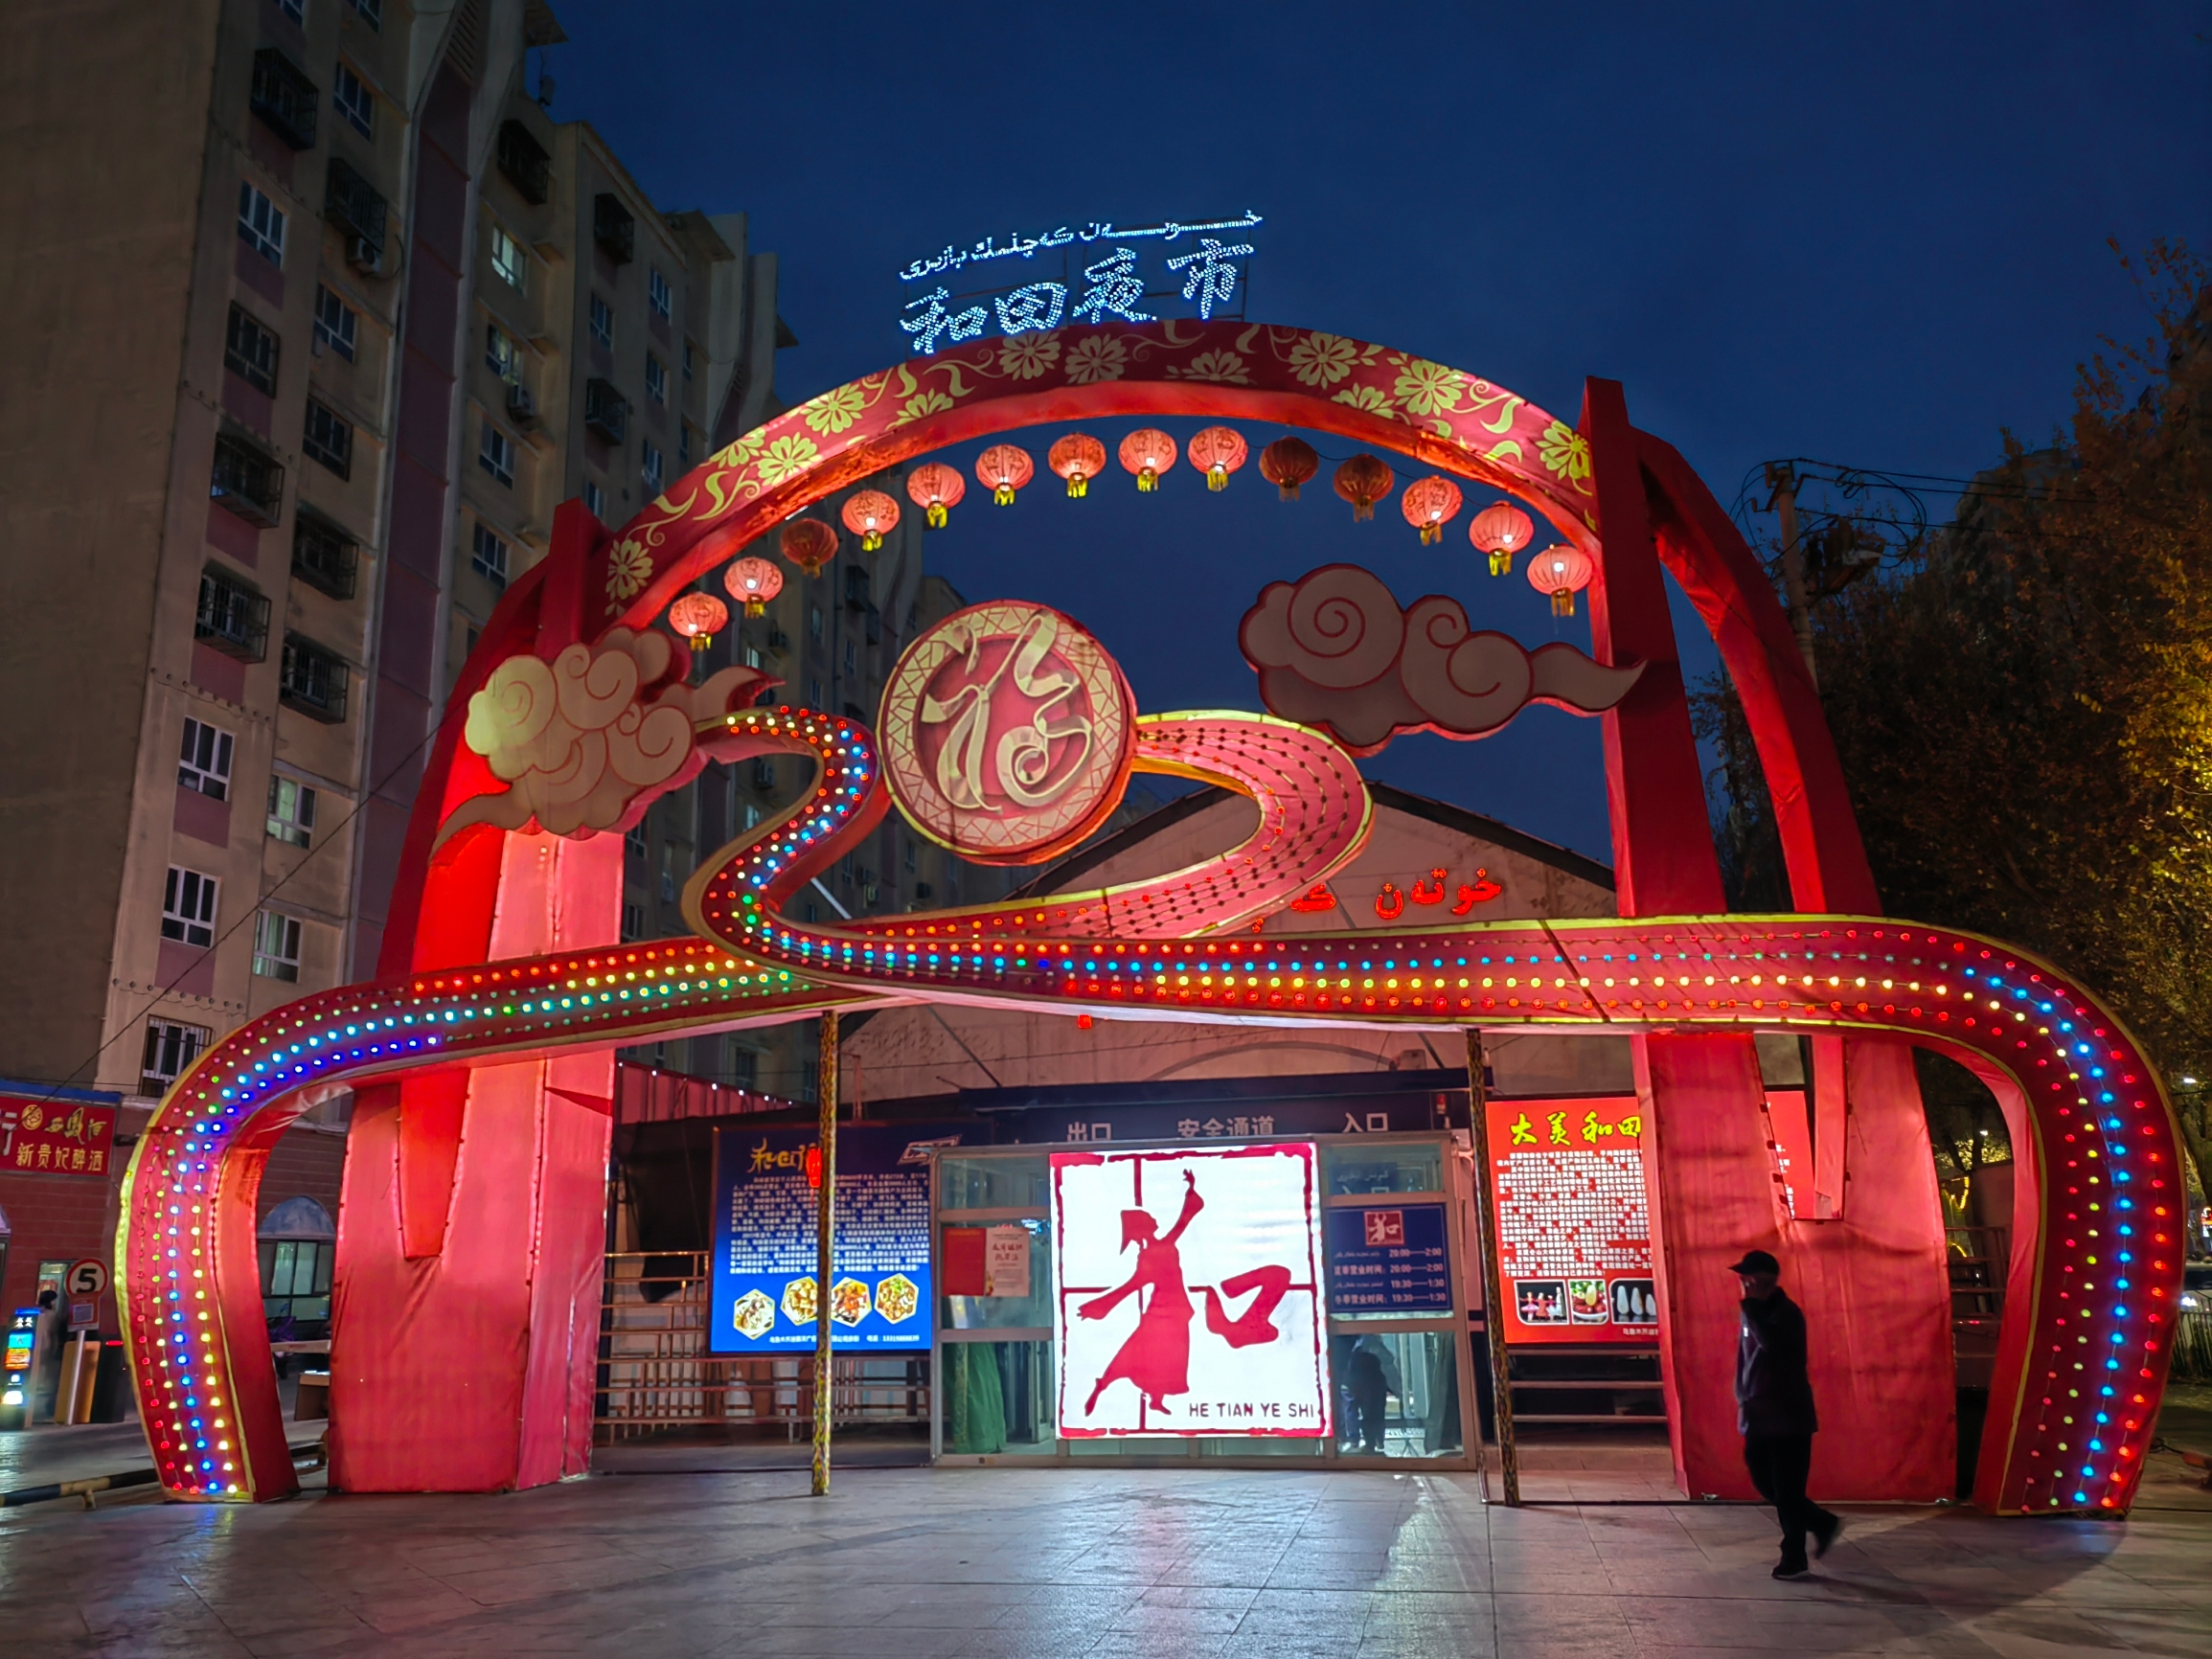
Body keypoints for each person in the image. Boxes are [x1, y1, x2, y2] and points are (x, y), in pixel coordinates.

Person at [1730, 1248, 1841, 1579]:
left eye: (1750, 1279)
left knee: (1788, 1490)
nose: (1744, 1285)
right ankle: (1822, 1522)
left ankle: (1793, 1556)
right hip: (1759, 1415)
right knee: (1766, 1482)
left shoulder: (1784, 1314)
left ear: (1764, 1281)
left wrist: (1753, 1306)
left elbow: (1773, 1347)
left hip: (1788, 1417)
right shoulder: (1754, 1313)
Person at [1079, 1170, 1204, 1416]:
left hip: (1172, 1310)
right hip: (1166, 1310)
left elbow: (1183, 1221)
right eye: (1149, 1218)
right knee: (1142, 1351)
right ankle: (1102, 1386)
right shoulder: (1155, 1251)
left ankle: (1153, 1398)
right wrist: (1100, 1305)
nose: (1155, 1220)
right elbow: (1133, 1285)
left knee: (1165, 1356)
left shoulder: (1158, 1248)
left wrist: (1191, 1190)